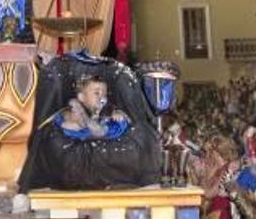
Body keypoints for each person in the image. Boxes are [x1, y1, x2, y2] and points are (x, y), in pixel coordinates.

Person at [17, 50, 161, 191]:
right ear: (81, 97)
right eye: (96, 93)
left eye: (104, 93)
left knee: (141, 136)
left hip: (98, 144)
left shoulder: (108, 113)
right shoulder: (71, 111)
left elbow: (106, 128)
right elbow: (78, 128)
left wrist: (119, 116)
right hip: (72, 155)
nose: (102, 97)